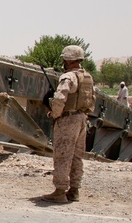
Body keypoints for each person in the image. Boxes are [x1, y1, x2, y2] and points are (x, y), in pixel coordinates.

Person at [41, 45, 95, 203]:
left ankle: (59, 191)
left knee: (63, 155)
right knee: (77, 157)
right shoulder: (87, 77)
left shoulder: (68, 77)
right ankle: (74, 190)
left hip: (68, 120)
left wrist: (55, 113)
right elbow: (92, 99)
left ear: (69, 60)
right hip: (82, 119)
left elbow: (59, 99)